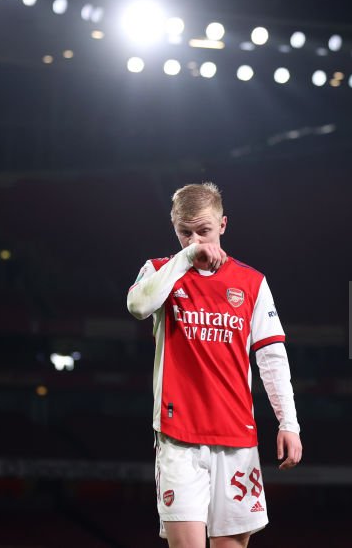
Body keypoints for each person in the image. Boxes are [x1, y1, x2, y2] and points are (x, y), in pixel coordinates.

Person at [126, 182, 302, 548]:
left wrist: (289, 422)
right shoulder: (161, 271)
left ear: (223, 225)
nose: (195, 240)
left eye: (203, 231)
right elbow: (137, 306)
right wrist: (185, 259)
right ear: (174, 229)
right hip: (179, 438)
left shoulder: (252, 282)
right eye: (184, 233)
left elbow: (271, 355)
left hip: (236, 438)